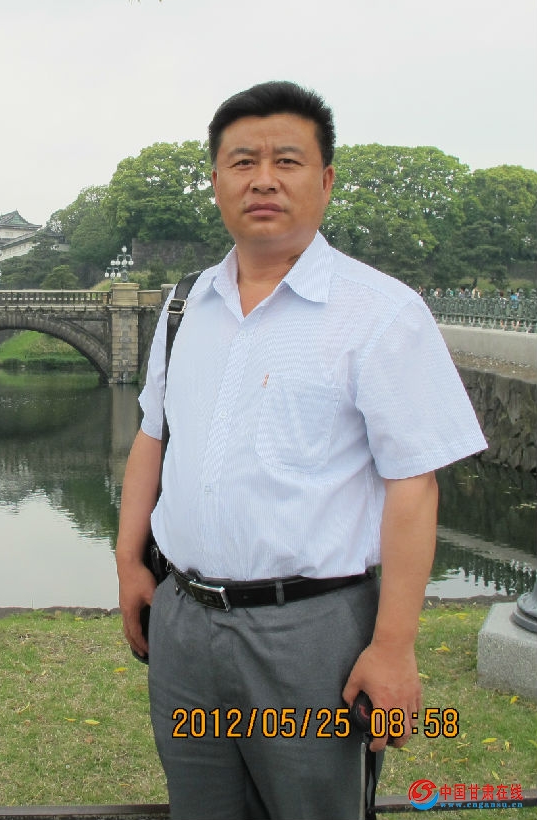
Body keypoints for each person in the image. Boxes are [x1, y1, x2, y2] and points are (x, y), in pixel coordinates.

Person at [116, 81, 487, 820]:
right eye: (242, 161)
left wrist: (393, 647)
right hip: (184, 622)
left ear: (325, 180)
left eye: (286, 161)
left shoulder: (380, 312)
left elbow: (414, 487)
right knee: (201, 806)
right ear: (215, 181)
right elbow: (153, 437)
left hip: (312, 632)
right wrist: (130, 559)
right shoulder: (185, 305)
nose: (263, 180)